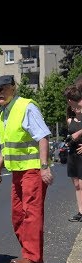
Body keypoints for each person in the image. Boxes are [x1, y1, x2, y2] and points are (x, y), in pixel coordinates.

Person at [0, 75, 53, 263]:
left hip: (33, 170)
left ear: (13, 88)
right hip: (17, 172)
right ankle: (28, 253)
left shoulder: (26, 107)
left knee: (31, 213)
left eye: (2, 89)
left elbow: (43, 137)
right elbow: (6, 147)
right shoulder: (4, 115)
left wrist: (44, 167)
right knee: (17, 215)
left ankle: (33, 257)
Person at [63, 85, 82, 221]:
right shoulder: (70, 119)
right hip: (73, 154)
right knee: (76, 185)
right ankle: (80, 212)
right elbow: (70, 136)